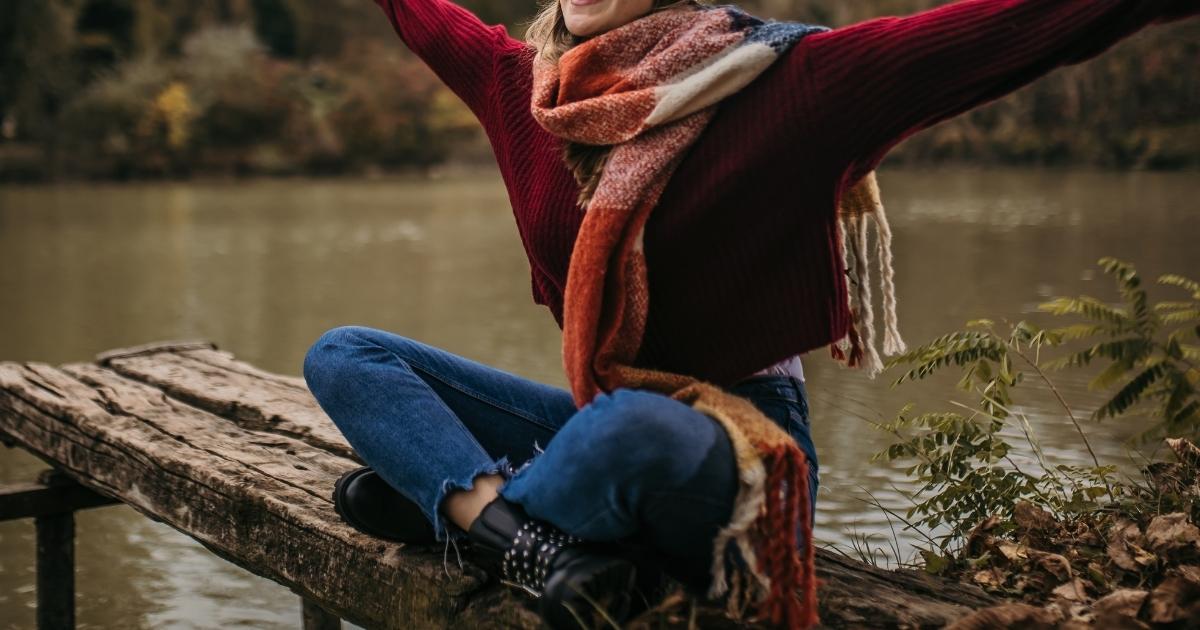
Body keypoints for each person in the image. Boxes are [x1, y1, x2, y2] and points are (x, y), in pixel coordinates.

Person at [302, 1, 1199, 629]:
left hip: (738, 447)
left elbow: (1002, 34)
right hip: (597, 412)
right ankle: (518, 538)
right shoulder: (525, 93)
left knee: (628, 435)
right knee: (345, 356)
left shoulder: (785, 84)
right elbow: (416, 11)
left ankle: (455, 512)